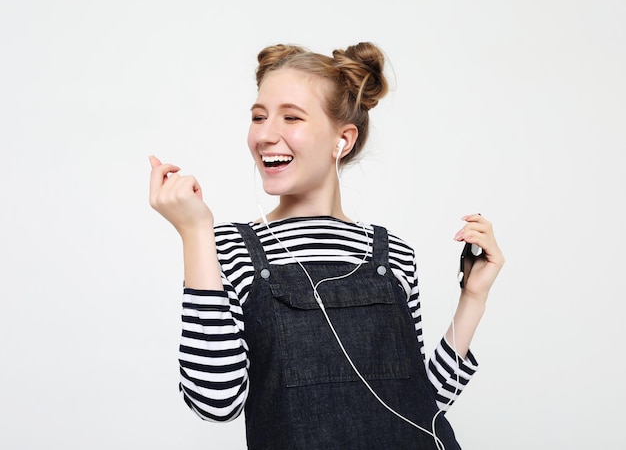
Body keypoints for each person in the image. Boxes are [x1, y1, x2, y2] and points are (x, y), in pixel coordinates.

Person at [148, 42, 504, 450]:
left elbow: (423, 403)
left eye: (291, 117)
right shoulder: (228, 247)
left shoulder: (394, 253)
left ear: (342, 141)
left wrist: (473, 298)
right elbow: (215, 401)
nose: (265, 135)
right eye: (258, 117)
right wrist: (195, 234)